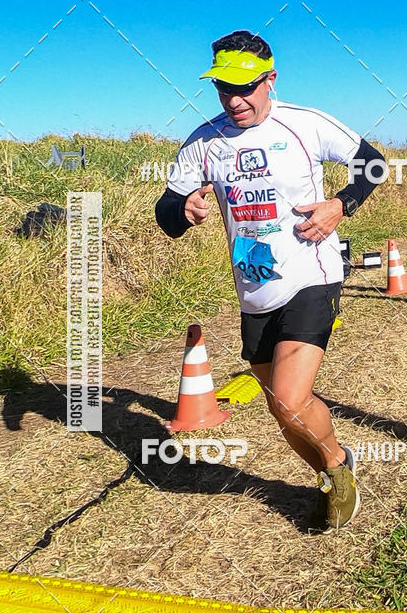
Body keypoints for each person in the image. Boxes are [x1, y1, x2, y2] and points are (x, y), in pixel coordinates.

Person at [155, 30, 386, 530]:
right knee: (281, 410)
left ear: (271, 80)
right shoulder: (203, 141)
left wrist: (338, 206)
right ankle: (332, 471)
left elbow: (373, 164)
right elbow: (167, 212)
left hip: (312, 273)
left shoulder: (305, 124)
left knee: (288, 395)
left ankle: (334, 465)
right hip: (255, 288)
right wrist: (186, 208)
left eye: (246, 87)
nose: (234, 100)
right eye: (223, 89)